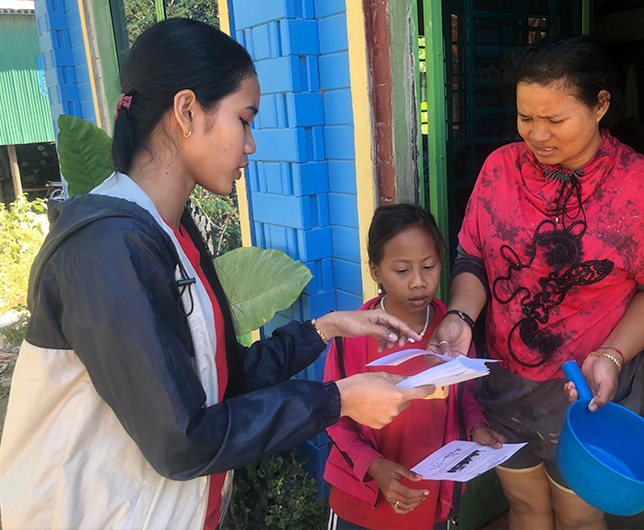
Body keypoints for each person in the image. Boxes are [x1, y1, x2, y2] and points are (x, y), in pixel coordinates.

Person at [0, 19, 435, 530]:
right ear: (187, 111)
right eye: (244, 119)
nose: (250, 144)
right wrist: (339, 400)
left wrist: (329, 327)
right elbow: (182, 440)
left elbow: (222, 382)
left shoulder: (170, 232)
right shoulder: (107, 247)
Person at [428, 35, 644, 530]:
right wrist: (459, 315)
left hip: (586, 392)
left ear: (600, 105)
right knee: (526, 509)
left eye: (555, 120)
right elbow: (473, 258)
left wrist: (612, 355)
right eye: (525, 118)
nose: (537, 135)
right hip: (505, 385)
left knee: (578, 520)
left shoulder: (642, 188)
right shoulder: (500, 168)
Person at [323, 204, 505, 530]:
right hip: (363, 496)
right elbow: (331, 414)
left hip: (428, 493)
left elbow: (464, 395)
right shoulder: (350, 336)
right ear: (376, 272)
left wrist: (477, 427)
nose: (418, 282)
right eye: (402, 270)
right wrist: (373, 464)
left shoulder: (454, 331)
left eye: (429, 266)